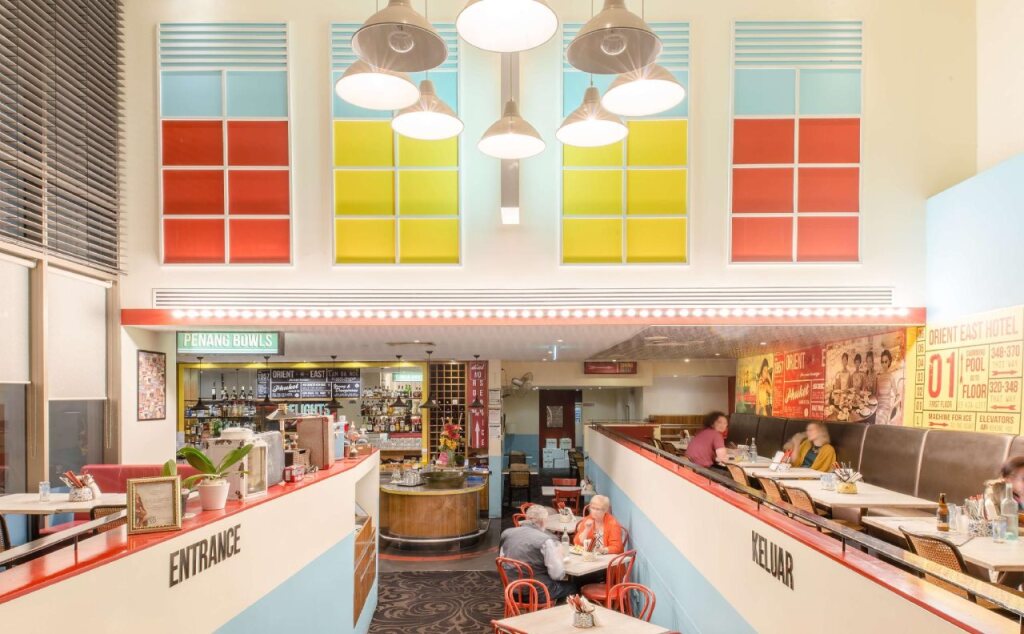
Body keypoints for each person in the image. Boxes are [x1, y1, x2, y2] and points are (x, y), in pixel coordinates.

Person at [499, 504, 575, 600]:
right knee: (574, 587)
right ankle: (552, 609)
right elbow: (557, 575)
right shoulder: (545, 541)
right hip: (537, 593)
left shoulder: (507, 533)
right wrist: (559, 556)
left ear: (526, 518)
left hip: (511, 590)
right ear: (543, 521)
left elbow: (502, 561)